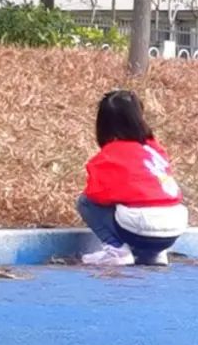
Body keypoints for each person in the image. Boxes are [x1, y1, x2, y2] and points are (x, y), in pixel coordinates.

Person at [77, 90, 188, 268]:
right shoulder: (154, 150)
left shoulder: (107, 156)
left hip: (139, 227)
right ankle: (155, 255)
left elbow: (96, 195)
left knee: (85, 202)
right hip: (174, 227)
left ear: (103, 123)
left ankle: (116, 251)